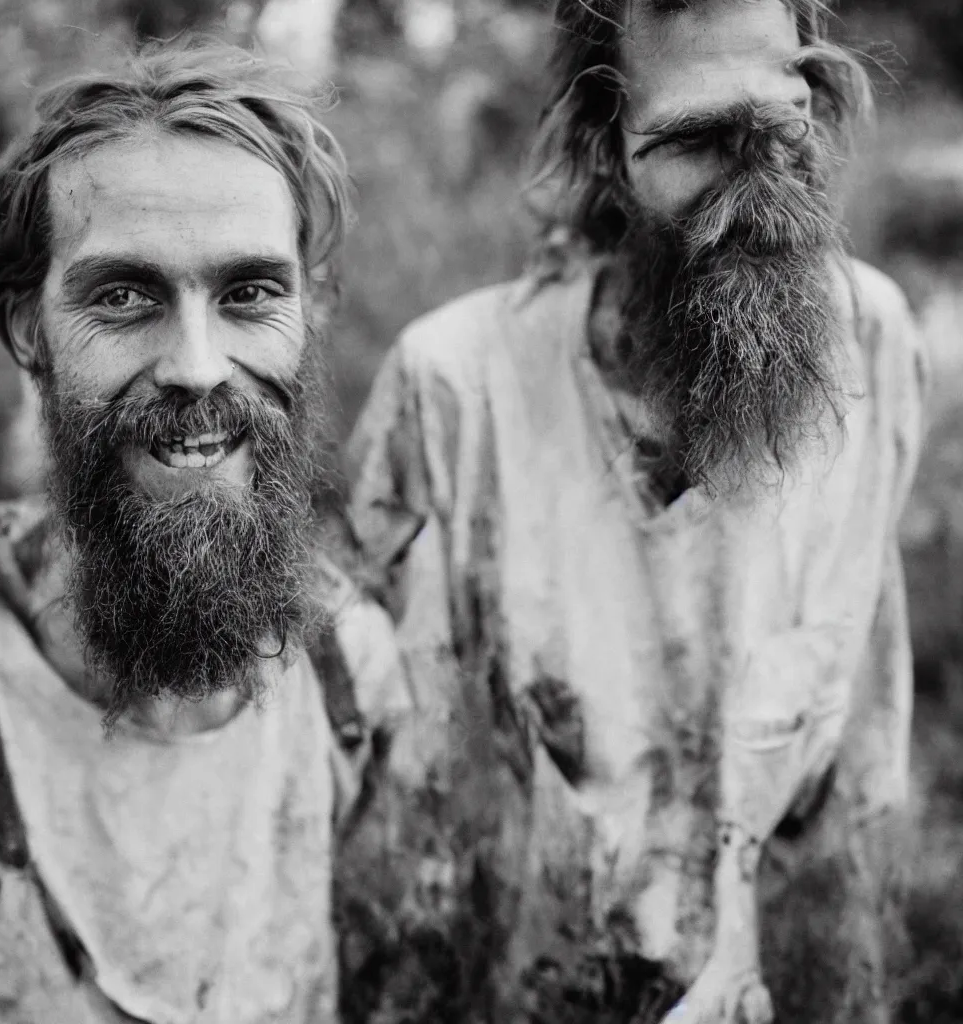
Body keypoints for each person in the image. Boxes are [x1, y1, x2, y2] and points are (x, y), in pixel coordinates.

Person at [336, 1, 928, 1022]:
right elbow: (393, 805)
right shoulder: (456, 393)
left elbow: (858, 744)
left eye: (777, 130)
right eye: (696, 140)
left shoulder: (869, 347)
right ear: (608, 154)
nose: (751, 192)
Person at [0, 39, 406, 1023]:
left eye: (248, 293)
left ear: (309, 311)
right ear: (28, 328)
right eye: (122, 296)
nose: (198, 366)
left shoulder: (349, 669)